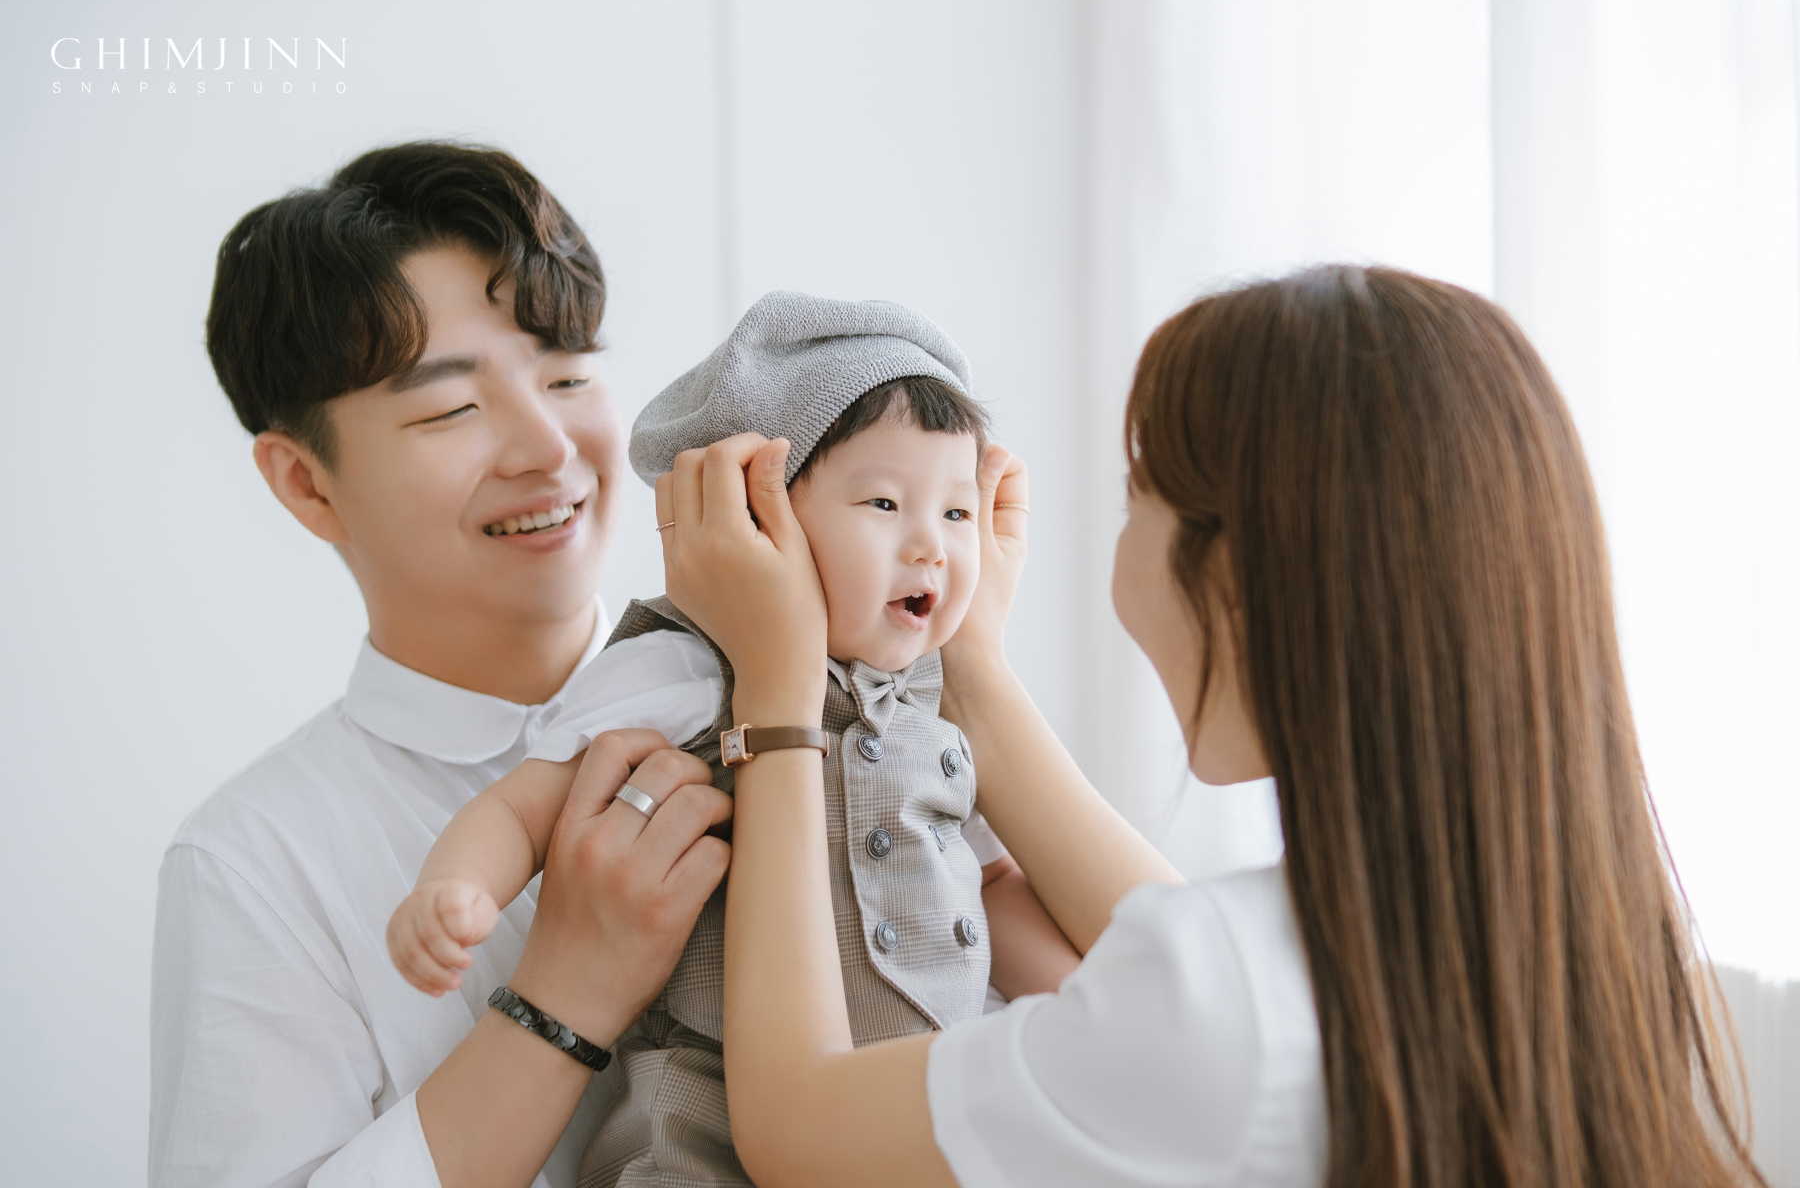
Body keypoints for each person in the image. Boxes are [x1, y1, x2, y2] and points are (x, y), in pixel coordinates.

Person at [656, 265, 1769, 1187]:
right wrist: (975, 671)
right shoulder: (1577, 945)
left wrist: (778, 693)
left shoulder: (1216, 997)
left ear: (1235, 579)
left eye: (1137, 492)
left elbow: (796, 1124)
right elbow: (1181, 951)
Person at [386, 291, 1082, 1186]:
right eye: (883, 502)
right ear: (759, 520)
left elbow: (984, 885)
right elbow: (524, 810)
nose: (931, 548)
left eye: (955, 513)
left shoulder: (938, 701)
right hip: (707, 1130)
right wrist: (455, 888)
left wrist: (1090, 1010)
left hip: (907, 1121)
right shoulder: (689, 666)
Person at [150, 142, 731, 1188]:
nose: (547, 448)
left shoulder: (769, 691)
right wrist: (564, 995)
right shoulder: (253, 861)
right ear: (306, 484)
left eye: (568, 376)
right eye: (451, 409)